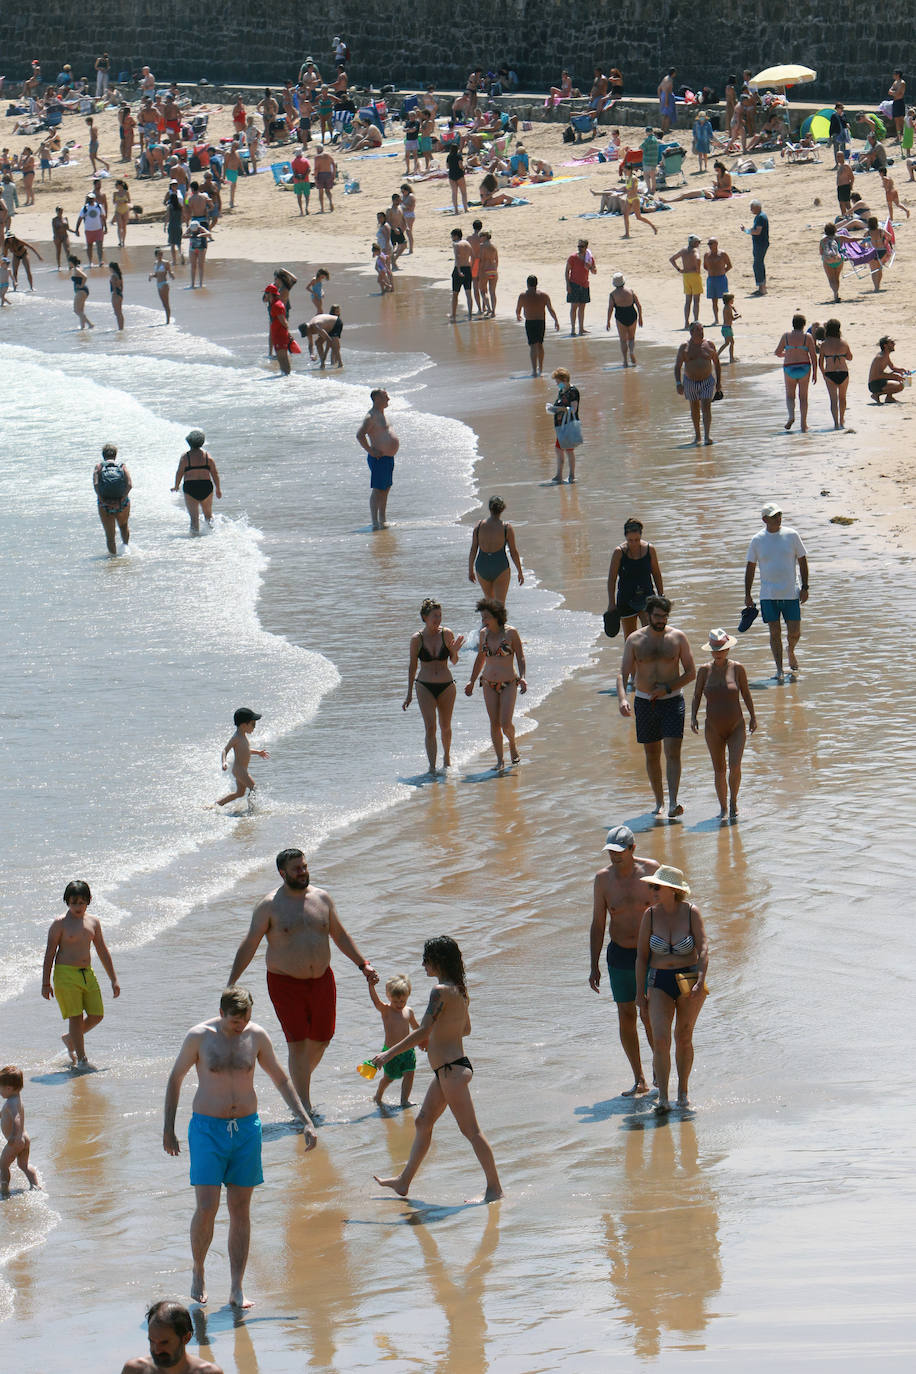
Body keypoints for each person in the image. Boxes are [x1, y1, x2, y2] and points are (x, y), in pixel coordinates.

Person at [163, 986, 317, 1309]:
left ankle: (236, 1288)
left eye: (245, 1019)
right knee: (207, 1207)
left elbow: (280, 1078)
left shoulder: (256, 1036)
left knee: (240, 1211)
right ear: (222, 1014)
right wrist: (169, 1127)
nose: (240, 1026)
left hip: (246, 1131)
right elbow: (175, 1078)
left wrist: (304, 1119)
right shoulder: (199, 1037)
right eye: (235, 1021)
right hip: (207, 1130)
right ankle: (199, 1269)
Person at [228, 850, 378, 1112]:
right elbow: (250, 944)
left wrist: (363, 964)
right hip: (285, 984)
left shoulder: (322, 899)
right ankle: (303, 1108)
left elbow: (340, 936)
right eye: (296, 869)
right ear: (282, 873)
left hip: (322, 980)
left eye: (305, 866)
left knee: (323, 1038)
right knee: (297, 1043)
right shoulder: (269, 906)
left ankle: (294, 1086)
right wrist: (231, 983)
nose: (303, 872)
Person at [372, 936, 503, 1202]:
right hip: (450, 1069)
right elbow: (465, 1029)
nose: (423, 965)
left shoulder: (439, 991)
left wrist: (388, 1054)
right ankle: (403, 1182)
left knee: (471, 1131)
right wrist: (436, 1040)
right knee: (423, 1122)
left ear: (438, 961)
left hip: (450, 1072)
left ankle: (494, 1189)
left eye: (426, 959)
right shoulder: (460, 989)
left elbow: (423, 1029)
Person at [588, 827, 659, 1097]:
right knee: (626, 1016)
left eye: (619, 852)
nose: (614, 857)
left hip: (651, 954)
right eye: (610, 853)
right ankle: (639, 1078)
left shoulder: (652, 870)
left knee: (650, 1015)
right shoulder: (603, 880)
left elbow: (668, 908)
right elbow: (598, 923)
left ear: (632, 849)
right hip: (620, 953)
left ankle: (659, 1072)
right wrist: (593, 964)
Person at [635, 866, 709, 1112]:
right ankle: (664, 1098)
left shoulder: (691, 913)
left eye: (657, 887)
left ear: (673, 890)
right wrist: (639, 992)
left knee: (684, 1037)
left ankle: (683, 1093)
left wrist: (701, 979)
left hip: (688, 979)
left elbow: (704, 948)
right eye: (651, 886)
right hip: (658, 980)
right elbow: (641, 957)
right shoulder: (650, 915)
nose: (652, 890)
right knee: (661, 1038)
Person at [616, 594, 696, 818]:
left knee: (672, 752)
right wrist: (622, 699)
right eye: (658, 616)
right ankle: (659, 802)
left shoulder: (678, 638)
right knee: (652, 755)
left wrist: (667, 688)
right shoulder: (634, 640)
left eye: (665, 617)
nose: (662, 620)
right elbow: (622, 675)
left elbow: (691, 673)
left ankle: (673, 802)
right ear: (648, 615)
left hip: (672, 701)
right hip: (644, 702)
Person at [41, 879, 120, 1067]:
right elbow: (49, 953)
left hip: (87, 973)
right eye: (73, 902)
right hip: (64, 974)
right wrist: (45, 983)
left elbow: (102, 950)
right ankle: (82, 1059)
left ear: (89, 900)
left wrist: (113, 979)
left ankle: (71, 1039)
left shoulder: (93, 922)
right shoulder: (59, 924)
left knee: (97, 1015)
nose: (78, 906)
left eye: (82, 902)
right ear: (67, 901)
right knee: (75, 1016)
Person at [691, 629, 757, 819]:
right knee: (719, 770)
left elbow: (746, 693)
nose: (718, 652)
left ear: (728, 649)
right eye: (715, 649)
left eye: (722, 649)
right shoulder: (704, 670)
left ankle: (733, 802)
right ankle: (723, 808)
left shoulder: (737, 669)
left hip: (736, 725)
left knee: (735, 766)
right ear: (710, 650)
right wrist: (693, 717)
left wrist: (753, 716)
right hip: (713, 728)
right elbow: (696, 695)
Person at [744, 502, 809, 683]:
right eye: (774, 516)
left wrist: (805, 587)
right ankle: (779, 670)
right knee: (774, 632)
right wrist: (747, 594)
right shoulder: (757, 540)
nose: (778, 518)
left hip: (790, 592)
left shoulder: (792, 535)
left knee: (795, 632)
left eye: (779, 515)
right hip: (768, 594)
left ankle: (791, 650)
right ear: (764, 519)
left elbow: (803, 560)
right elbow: (750, 567)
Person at [403, 598, 465, 773]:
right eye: (434, 616)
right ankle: (431, 768)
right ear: (424, 617)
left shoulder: (447, 634)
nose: (437, 620)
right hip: (424, 686)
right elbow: (412, 666)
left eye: (440, 616)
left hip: (446, 685)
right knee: (430, 726)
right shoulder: (417, 639)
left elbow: (454, 661)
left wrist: (454, 652)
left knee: (445, 726)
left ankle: (446, 758)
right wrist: (409, 693)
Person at [464, 597, 527, 771]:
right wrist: (471, 680)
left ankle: (512, 744)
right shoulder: (483, 634)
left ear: (497, 616)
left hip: (509, 682)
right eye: (482, 617)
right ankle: (500, 760)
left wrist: (523, 677)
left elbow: (520, 656)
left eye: (486, 617)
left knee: (505, 723)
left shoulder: (511, 633)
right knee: (494, 723)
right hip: (488, 683)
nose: (483, 621)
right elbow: (480, 659)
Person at [120, 1300, 224, 1374]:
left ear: (186, 1338)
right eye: (152, 1341)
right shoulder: (135, 1370)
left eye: (164, 1342)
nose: (156, 1350)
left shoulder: (208, 1372)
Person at [366, 974, 420, 1107]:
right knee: (389, 1078)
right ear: (389, 997)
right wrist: (371, 986)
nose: (399, 1004)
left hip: (408, 1052)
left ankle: (404, 1101)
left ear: (408, 997)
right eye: (396, 1001)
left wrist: (426, 1039)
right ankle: (378, 1095)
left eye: (403, 1001)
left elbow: (417, 1029)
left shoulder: (409, 1012)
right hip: (390, 1053)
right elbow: (376, 1002)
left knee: (409, 1075)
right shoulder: (386, 1010)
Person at [606, 518, 664, 640]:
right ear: (625, 537)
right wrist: (611, 603)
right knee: (630, 639)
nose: (633, 543)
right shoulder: (619, 552)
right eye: (630, 540)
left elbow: (657, 574)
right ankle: (632, 659)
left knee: (652, 637)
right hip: (626, 599)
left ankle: (650, 659)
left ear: (641, 535)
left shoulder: (649, 549)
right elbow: (612, 579)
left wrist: (661, 596)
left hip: (647, 597)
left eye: (637, 540)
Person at [468, 495, 524, 603]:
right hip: (500, 566)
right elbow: (513, 552)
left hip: (482, 565)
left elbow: (473, 550)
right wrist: (520, 572)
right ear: (502, 509)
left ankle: (488, 619)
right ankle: (499, 620)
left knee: (489, 603)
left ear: (489, 508)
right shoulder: (506, 528)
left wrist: (470, 570)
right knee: (500, 605)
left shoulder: (479, 526)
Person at [357, 388, 399, 530]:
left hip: (388, 458)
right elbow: (360, 435)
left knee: (386, 488)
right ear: (376, 399)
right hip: (379, 459)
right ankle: (375, 521)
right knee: (378, 490)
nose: (388, 399)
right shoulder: (371, 417)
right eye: (385, 397)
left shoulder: (382, 414)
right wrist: (370, 450)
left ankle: (383, 520)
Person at [674, 322, 721, 445]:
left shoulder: (709, 345)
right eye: (698, 330)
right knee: (694, 408)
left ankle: (707, 436)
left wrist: (719, 382)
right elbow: (677, 366)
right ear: (691, 332)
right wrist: (678, 383)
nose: (701, 332)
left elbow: (716, 363)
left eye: (702, 330)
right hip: (690, 381)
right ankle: (697, 436)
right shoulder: (685, 347)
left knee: (706, 406)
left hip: (707, 380)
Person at [0, 1066, 41, 1196]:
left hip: (16, 1141)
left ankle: (4, 1191)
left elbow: (16, 1118)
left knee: (3, 1165)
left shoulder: (11, 1102)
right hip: (24, 1139)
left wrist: (13, 1136)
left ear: (8, 1088)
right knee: (23, 1165)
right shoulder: (16, 1099)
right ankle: (35, 1185)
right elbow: (5, 1115)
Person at [172, 429, 222, 533]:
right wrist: (218, 489)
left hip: (191, 487)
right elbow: (215, 473)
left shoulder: (185, 457)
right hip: (206, 486)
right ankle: (213, 536)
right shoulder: (208, 457)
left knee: (194, 519)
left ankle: (195, 541)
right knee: (208, 515)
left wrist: (176, 486)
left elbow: (179, 472)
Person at [775, 312, 818, 432]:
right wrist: (815, 372)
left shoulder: (786, 336)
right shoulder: (807, 337)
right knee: (803, 397)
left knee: (790, 395)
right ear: (803, 325)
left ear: (793, 324)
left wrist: (786, 353)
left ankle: (791, 416)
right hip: (804, 367)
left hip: (789, 367)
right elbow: (813, 356)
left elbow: (777, 352)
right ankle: (803, 425)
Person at [217, 707, 267, 806]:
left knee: (239, 793)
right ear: (244, 725)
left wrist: (258, 752)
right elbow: (225, 750)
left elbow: (245, 751)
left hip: (241, 770)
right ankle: (251, 810)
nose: (254, 727)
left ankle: (217, 804)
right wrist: (224, 762)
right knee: (254, 788)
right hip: (239, 770)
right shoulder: (236, 737)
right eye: (253, 724)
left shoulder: (243, 736)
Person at [93, 441, 131, 554]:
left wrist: (103, 500)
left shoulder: (99, 467)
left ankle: (113, 561)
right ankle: (126, 551)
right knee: (124, 526)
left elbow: (95, 484)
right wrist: (122, 499)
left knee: (110, 536)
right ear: (115, 455)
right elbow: (129, 484)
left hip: (105, 505)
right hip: (122, 504)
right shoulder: (121, 466)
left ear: (103, 455)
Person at [819, 318, 853, 429]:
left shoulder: (824, 344)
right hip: (843, 372)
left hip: (830, 373)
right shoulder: (844, 342)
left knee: (833, 400)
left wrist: (823, 374)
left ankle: (836, 423)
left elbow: (820, 362)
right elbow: (850, 357)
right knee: (842, 398)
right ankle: (842, 420)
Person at [549, 366, 581, 483]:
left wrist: (561, 409)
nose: (557, 384)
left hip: (569, 424)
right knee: (559, 449)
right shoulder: (561, 391)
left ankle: (571, 475)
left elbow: (573, 409)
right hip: (561, 425)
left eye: (558, 382)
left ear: (564, 380)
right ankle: (559, 475)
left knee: (568, 450)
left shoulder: (573, 391)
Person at [606, 272, 642, 366]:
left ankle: (625, 361)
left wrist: (608, 321)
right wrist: (640, 317)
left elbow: (610, 309)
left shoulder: (613, 295)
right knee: (631, 337)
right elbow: (638, 305)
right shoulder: (631, 291)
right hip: (632, 314)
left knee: (623, 340)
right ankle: (632, 352)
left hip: (620, 316)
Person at [565, 239, 597, 336]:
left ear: (586, 247)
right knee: (574, 307)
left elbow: (594, 271)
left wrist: (590, 267)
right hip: (574, 284)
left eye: (581, 246)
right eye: (578, 246)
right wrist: (567, 284)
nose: (579, 248)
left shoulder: (589, 258)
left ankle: (581, 328)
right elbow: (567, 271)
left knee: (582, 308)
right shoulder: (573, 257)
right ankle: (573, 329)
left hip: (584, 284)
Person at [670, 235, 702, 329]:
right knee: (696, 301)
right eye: (698, 242)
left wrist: (679, 269)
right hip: (694, 276)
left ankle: (686, 322)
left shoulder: (683, 250)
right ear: (693, 243)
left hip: (686, 276)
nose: (699, 244)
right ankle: (696, 321)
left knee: (688, 301)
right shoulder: (694, 251)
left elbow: (672, 259)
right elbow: (698, 259)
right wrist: (698, 268)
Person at [867, 334, 907, 403]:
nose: (894, 344)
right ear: (885, 345)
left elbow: (892, 367)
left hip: (879, 381)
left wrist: (901, 370)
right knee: (900, 385)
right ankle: (876, 394)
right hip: (874, 384)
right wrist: (895, 377)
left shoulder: (885, 355)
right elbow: (878, 375)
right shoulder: (880, 357)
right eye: (891, 342)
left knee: (903, 381)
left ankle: (889, 398)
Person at [703, 238, 732, 324]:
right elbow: (705, 266)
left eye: (711, 244)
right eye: (708, 244)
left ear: (716, 244)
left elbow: (729, 265)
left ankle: (728, 318)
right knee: (714, 300)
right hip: (711, 279)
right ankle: (716, 319)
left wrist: (722, 272)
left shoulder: (722, 254)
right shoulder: (707, 255)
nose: (709, 246)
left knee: (726, 300)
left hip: (721, 279)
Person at [622, 168, 657, 239]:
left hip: (635, 199)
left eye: (625, 171)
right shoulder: (627, 178)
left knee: (638, 217)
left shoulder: (634, 178)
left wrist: (625, 192)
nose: (624, 172)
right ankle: (627, 233)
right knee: (625, 215)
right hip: (628, 199)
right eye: (624, 171)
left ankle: (653, 226)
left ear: (630, 170)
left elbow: (633, 190)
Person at [76, 191, 106, 266]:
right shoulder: (84, 208)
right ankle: (90, 262)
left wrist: (105, 227)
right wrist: (77, 229)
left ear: (94, 199)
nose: (90, 200)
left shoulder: (99, 207)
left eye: (92, 198)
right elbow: (80, 219)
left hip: (98, 229)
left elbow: (103, 217)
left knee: (100, 246)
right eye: (89, 198)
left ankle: (100, 261)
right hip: (88, 230)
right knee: (89, 246)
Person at [745, 200, 769, 294]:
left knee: (757, 265)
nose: (751, 210)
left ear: (757, 207)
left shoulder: (760, 217)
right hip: (760, 243)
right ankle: (761, 288)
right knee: (758, 264)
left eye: (752, 208)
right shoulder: (759, 217)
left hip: (760, 244)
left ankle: (762, 288)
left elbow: (757, 232)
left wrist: (748, 231)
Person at [819, 223, 845, 304]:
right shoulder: (839, 238)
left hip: (828, 261)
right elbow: (852, 239)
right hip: (839, 260)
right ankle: (836, 292)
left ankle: (835, 294)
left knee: (831, 278)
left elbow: (821, 252)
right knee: (836, 278)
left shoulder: (823, 240)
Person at [67, 253, 93, 330]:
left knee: (76, 310)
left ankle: (90, 324)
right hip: (84, 291)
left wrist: (81, 285)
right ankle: (82, 328)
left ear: (71, 262)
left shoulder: (76, 269)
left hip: (81, 291)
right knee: (81, 311)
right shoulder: (79, 267)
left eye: (69, 262)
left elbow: (85, 277)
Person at [149, 248, 174, 323]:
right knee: (163, 303)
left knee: (166, 303)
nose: (160, 256)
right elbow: (157, 275)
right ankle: (167, 320)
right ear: (156, 255)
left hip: (164, 283)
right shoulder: (155, 263)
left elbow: (169, 272)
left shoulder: (166, 263)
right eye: (159, 254)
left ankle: (168, 321)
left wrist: (172, 275)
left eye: (161, 254)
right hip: (158, 284)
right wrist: (151, 276)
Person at [446, 143, 468, 214]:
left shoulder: (449, 157)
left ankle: (456, 210)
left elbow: (447, 166)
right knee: (463, 193)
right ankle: (465, 209)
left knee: (454, 193)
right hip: (459, 175)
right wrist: (464, 168)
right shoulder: (459, 156)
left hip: (451, 175)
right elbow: (460, 165)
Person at [718, 293, 739, 363]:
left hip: (725, 328)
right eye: (732, 299)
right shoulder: (728, 309)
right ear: (730, 300)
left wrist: (735, 310)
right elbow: (732, 318)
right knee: (732, 343)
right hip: (727, 328)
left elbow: (732, 307)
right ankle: (731, 358)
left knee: (727, 343)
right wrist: (738, 316)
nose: (733, 300)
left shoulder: (727, 306)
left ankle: (717, 355)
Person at [313, 147, 336, 212]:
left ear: (318, 150)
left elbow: (316, 168)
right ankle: (331, 203)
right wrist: (333, 174)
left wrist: (315, 177)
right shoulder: (328, 155)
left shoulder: (317, 157)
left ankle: (322, 208)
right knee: (328, 191)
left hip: (320, 175)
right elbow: (334, 165)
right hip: (328, 174)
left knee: (321, 192)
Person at [658, 69, 676, 135]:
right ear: (673, 73)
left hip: (663, 96)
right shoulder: (670, 80)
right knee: (668, 114)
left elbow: (659, 88)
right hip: (667, 97)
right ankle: (666, 129)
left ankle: (663, 128)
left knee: (665, 114)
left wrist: (660, 98)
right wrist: (666, 101)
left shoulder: (665, 78)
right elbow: (666, 91)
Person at [889, 70, 906, 142]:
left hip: (900, 102)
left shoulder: (902, 83)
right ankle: (898, 136)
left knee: (902, 119)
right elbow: (889, 91)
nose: (893, 75)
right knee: (896, 120)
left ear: (898, 75)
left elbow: (897, 93)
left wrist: (892, 92)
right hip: (895, 102)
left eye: (894, 74)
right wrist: (893, 92)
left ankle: (906, 134)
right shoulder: (895, 82)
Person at [108, 260, 124, 330]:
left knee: (117, 313)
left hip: (116, 294)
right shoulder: (119, 275)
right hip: (120, 293)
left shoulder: (113, 276)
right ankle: (121, 327)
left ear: (112, 268)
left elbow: (114, 286)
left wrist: (114, 295)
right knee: (119, 312)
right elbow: (122, 287)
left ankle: (120, 328)